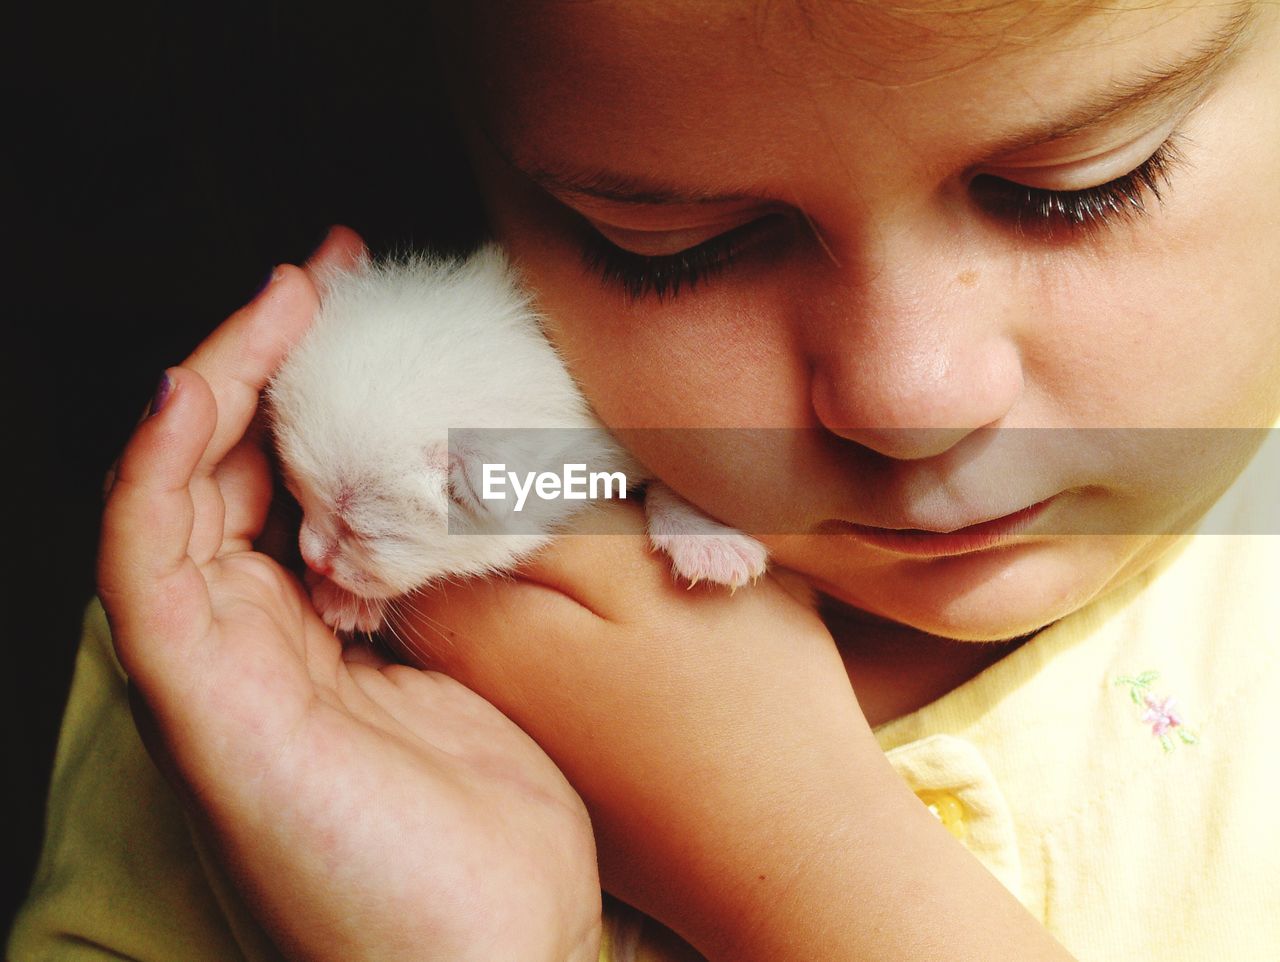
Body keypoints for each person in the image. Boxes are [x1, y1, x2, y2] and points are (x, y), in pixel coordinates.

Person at [10, 0, 1280, 959]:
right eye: (673, 246)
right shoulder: (246, 680)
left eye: (1078, 188)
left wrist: (802, 859)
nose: (908, 397)